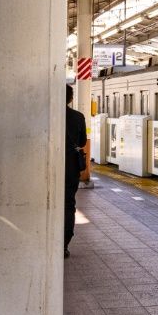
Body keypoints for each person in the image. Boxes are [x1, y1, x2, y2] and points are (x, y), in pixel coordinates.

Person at [64, 84, 89, 258]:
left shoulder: (46, 116)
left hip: (46, 168)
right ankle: (64, 243)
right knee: (68, 205)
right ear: (71, 98)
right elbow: (81, 142)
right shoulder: (78, 117)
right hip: (70, 169)